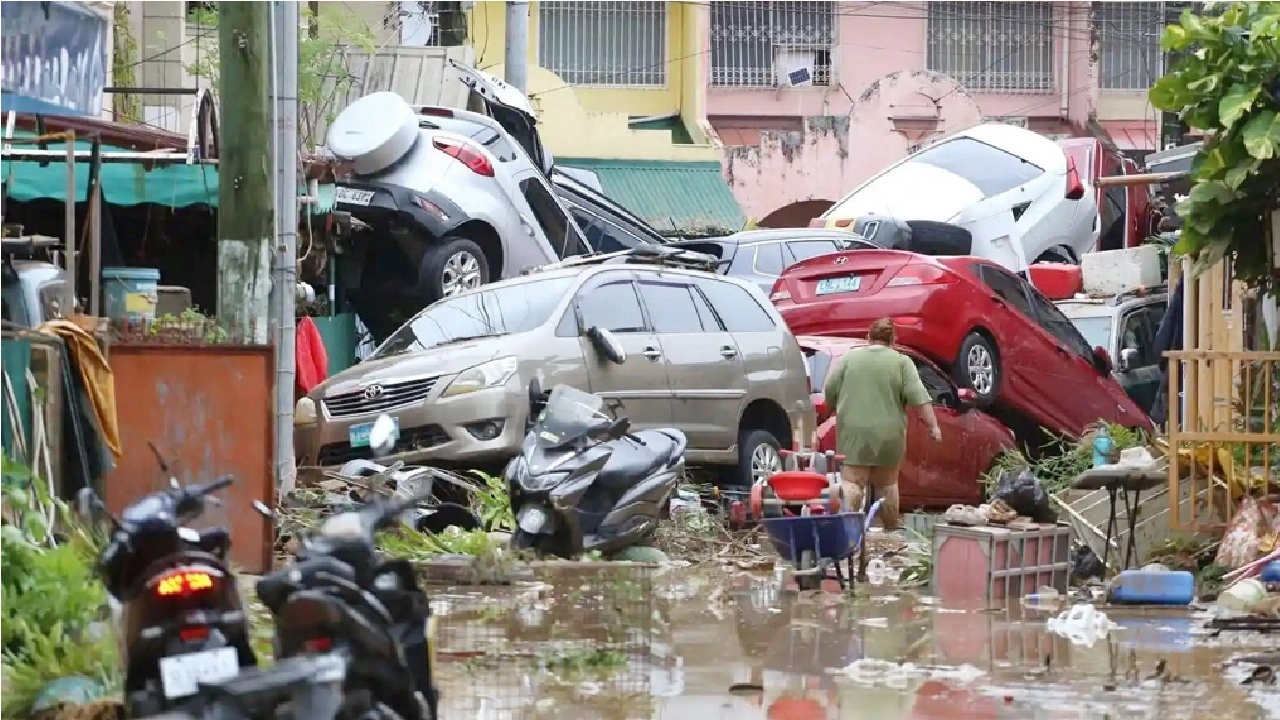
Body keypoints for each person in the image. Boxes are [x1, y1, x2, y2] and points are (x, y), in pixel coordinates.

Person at [822, 318, 941, 531]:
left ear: (868, 337)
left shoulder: (849, 358)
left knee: (852, 483)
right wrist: (933, 427)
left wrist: (827, 412)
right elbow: (919, 397)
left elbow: (829, 391)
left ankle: (847, 533)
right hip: (889, 434)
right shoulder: (902, 362)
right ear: (893, 340)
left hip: (854, 433)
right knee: (887, 486)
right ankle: (890, 534)